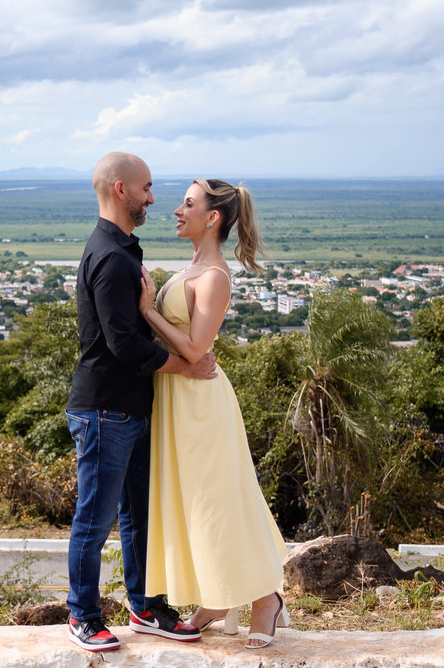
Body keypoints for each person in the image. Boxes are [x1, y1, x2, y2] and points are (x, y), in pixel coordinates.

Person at [65, 152, 216, 652]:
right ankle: (82, 616)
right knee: (95, 519)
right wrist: (183, 366)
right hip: (104, 409)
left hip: (129, 407)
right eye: (147, 187)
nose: (153, 198)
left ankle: (146, 606)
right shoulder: (111, 257)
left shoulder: (121, 248)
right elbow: (122, 344)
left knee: (139, 516)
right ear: (121, 190)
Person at [138, 178, 291, 649]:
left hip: (201, 404)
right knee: (193, 501)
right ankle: (217, 596)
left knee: (220, 500)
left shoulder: (215, 277)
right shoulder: (193, 268)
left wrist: (148, 312)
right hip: (177, 397)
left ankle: (266, 599)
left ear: (213, 217)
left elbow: (196, 347)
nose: (176, 210)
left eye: (188, 204)